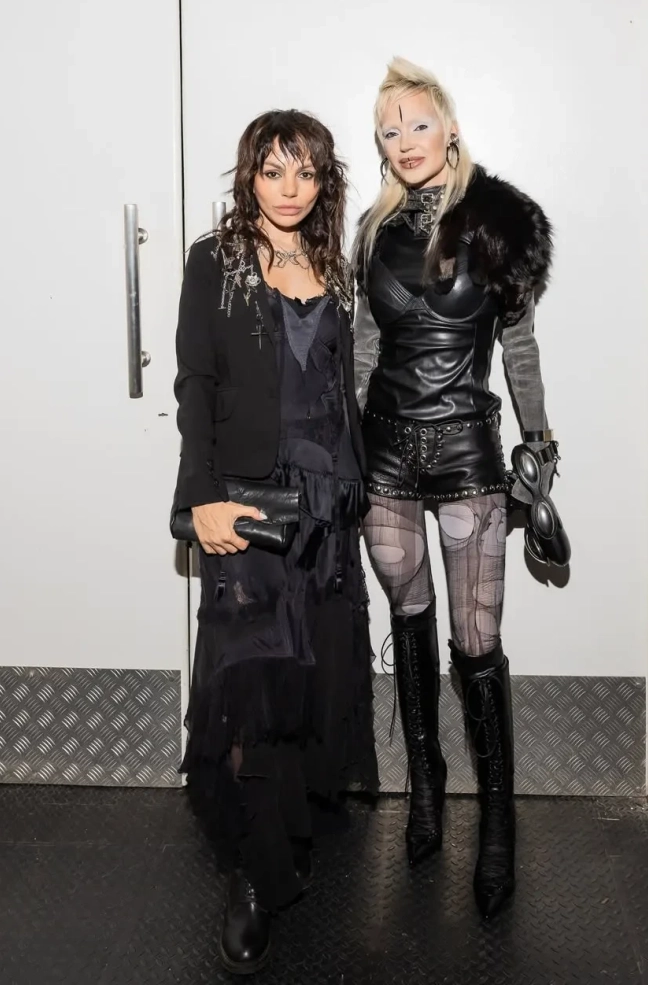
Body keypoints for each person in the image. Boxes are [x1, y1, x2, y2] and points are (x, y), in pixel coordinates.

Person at [353, 58, 560, 921]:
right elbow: (364, 348)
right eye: (388, 130)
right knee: (409, 617)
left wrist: (538, 442)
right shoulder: (372, 230)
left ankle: (499, 820)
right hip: (387, 456)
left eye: (416, 122)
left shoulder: (495, 222)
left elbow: (519, 347)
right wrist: (344, 442)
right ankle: (427, 783)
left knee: (477, 639)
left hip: (468, 450)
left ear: (449, 128)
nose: (404, 140)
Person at [173, 109, 378, 974]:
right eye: (273, 170)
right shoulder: (214, 262)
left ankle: (289, 834)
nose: (289, 189)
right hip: (248, 501)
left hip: (328, 503)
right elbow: (195, 384)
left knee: (311, 677)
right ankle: (252, 880)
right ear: (248, 175)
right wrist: (200, 498)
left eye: (306, 172)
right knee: (253, 681)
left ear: (322, 181)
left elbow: (345, 386)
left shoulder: (335, 263)